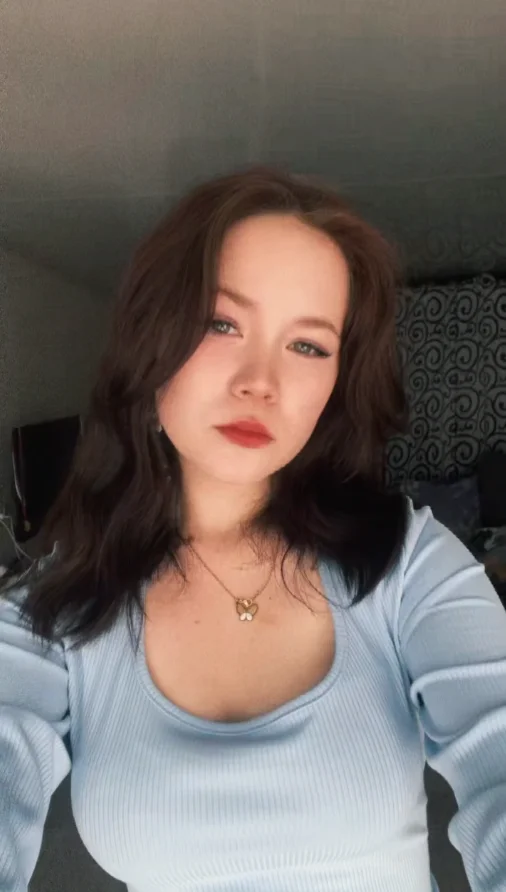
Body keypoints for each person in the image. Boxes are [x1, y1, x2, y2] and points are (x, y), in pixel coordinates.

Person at [0, 167, 505, 892]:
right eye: (222, 323)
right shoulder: (54, 606)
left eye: (308, 346)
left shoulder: (410, 565)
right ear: (152, 338)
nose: (260, 381)